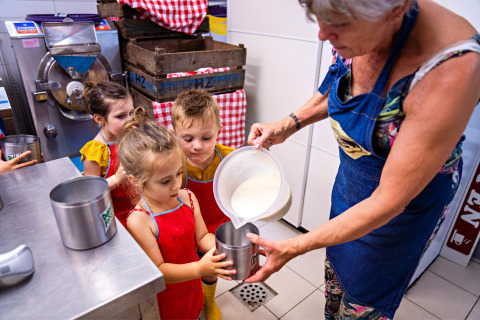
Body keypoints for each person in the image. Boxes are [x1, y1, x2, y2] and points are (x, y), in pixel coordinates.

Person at [245, 0, 480, 319]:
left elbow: (389, 201)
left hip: (398, 214)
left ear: (396, 11)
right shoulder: (357, 22)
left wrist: (295, 247)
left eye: (339, 25)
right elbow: (340, 85)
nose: (322, 35)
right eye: (318, 19)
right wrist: (289, 123)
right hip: (353, 183)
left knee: (363, 298)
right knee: (337, 270)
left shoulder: (451, 70)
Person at [117, 107, 234, 320]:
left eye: (179, 173)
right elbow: (159, 270)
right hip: (166, 298)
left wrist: (227, 251)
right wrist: (200, 268)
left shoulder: (188, 198)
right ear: (136, 181)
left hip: (192, 287)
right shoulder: (140, 221)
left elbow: (201, 238)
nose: (176, 185)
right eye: (165, 181)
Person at [171, 88, 234, 320]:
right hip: (188, 229)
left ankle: (209, 301)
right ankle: (193, 299)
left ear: (219, 131)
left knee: (211, 269)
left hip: (217, 225)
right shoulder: (173, 163)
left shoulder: (229, 158)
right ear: (174, 134)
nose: (197, 146)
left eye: (206, 138)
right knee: (191, 268)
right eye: (187, 139)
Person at [79, 81, 137, 228]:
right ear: (100, 119)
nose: (129, 120)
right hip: (113, 218)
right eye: (120, 116)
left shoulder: (131, 136)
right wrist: (117, 178)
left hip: (138, 210)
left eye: (131, 113)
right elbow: (91, 193)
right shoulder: (96, 151)